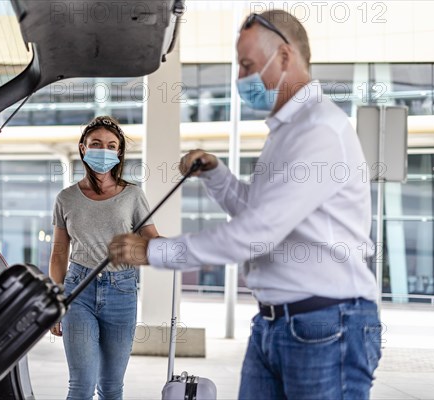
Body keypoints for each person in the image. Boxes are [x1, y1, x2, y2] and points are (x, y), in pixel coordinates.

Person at [108, 10, 382, 400]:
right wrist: (217, 175)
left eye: (247, 66)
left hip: (326, 327)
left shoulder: (319, 129)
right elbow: (261, 216)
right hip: (276, 324)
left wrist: (154, 251)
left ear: (285, 57)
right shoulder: (286, 133)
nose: (240, 79)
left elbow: (256, 234)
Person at [49, 116, 159, 400]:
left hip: (121, 290)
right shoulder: (66, 198)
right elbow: (60, 252)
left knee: (111, 387)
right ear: (83, 148)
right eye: (96, 144)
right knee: (81, 385)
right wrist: (55, 300)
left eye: (111, 145)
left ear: (119, 152)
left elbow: (152, 240)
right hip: (78, 290)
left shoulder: (133, 195)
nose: (104, 150)